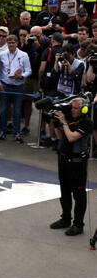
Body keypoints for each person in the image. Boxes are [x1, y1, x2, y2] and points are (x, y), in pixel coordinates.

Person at [50, 97, 91, 236]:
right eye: (72, 107)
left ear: (84, 109)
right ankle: (65, 218)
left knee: (78, 194)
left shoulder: (87, 123)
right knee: (65, 191)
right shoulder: (68, 119)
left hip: (77, 162)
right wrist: (57, 124)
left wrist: (64, 123)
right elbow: (62, 137)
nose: (72, 110)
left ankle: (78, 224)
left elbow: (72, 137)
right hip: (63, 159)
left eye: (75, 108)